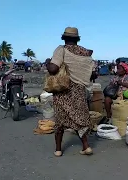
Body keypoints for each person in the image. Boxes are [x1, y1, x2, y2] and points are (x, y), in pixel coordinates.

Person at [46, 27, 94, 157]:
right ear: (77, 38)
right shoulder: (85, 53)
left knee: (60, 120)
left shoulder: (61, 49)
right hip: (79, 89)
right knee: (80, 117)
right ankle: (86, 146)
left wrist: (47, 63)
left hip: (63, 90)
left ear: (64, 38)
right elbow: (93, 73)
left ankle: (58, 150)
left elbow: (53, 69)